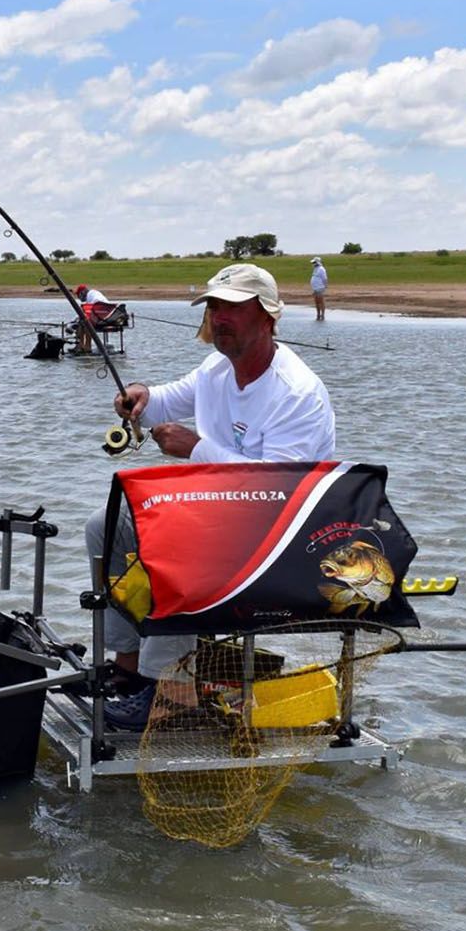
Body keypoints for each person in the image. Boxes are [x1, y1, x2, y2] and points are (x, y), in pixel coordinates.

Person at [87, 262, 336, 730]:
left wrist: (196, 448)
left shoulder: (296, 392)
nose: (219, 317)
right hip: (218, 518)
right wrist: (141, 394)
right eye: (214, 307)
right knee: (104, 526)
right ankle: (128, 668)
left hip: (277, 541)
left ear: (267, 316)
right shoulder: (218, 367)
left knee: (175, 541)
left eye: (233, 308)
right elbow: (168, 399)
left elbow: (281, 491)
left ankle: (170, 693)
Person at [71, 282, 114, 354]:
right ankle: (81, 345)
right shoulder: (94, 293)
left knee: (84, 323)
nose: (78, 297)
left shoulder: (90, 296)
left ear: (82, 293)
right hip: (107, 315)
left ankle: (85, 347)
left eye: (78, 295)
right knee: (83, 321)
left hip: (101, 315)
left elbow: (90, 310)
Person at [310, 256, 328, 320]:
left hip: (320, 287)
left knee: (321, 301)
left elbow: (324, 278)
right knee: (316, 301)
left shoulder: (321, 269)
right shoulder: (315, 269)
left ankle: (322, 315)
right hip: (315, 288)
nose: (313, 264)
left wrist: (325, 285)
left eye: (314, 262)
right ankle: (318, 314)